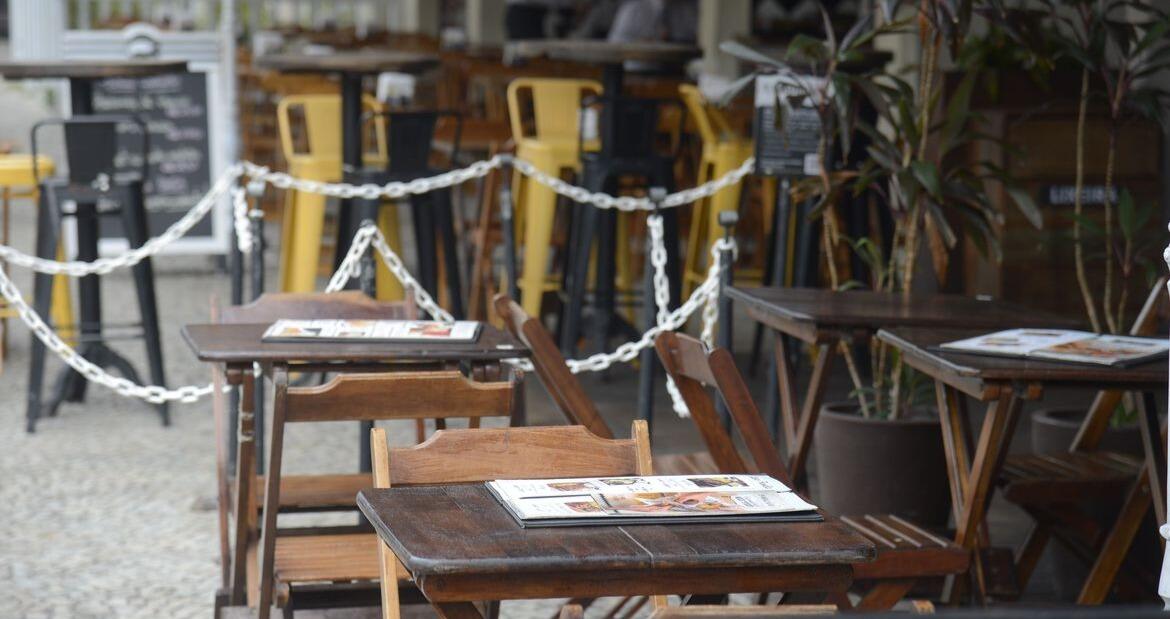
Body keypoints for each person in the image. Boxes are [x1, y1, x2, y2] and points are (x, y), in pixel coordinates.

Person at [607, 0, 698, 44]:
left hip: (679, 69)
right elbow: (614, 46)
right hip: (635, 69)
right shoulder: (634, 8)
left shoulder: (688, 7)